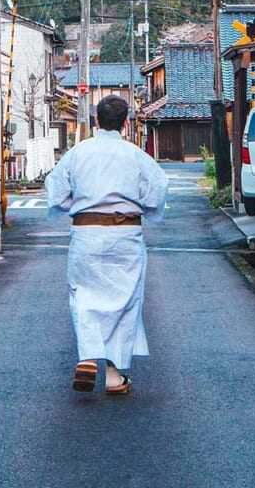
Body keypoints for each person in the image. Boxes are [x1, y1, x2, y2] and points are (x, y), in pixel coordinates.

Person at [44, 94, 168, 395]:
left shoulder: (77, 154)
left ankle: (88, 357)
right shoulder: (136, 155)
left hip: (86, 233)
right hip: (126, 234)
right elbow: (156, 192)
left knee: (83, 297)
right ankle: (114, 375)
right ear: (126, 123)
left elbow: (57, 195)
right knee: (124, 301)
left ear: (96, 120)